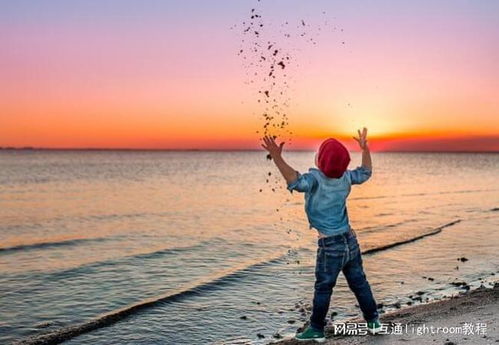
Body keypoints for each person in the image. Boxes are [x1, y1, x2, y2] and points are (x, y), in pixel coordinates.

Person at [261, 128, 381, 342]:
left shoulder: (315, 179)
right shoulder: (346, 177)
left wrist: (278, 157)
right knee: (359, 283)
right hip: (349, 239)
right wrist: (365, 148)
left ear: (319, 162)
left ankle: (316, 328)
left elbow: (295, 181)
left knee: (323, 287)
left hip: (330, 245)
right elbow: (365, 172)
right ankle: (373, 320)